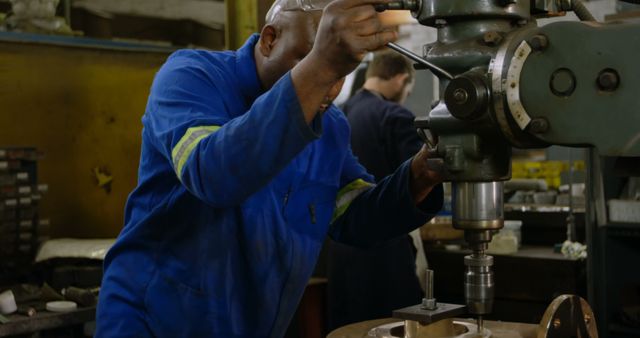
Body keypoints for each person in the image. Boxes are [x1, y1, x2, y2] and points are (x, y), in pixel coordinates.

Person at [95, 0, 443, 337]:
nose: (330, 88)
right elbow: (214, 173)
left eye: (340, 72)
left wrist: (418, 177)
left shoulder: (330, 127)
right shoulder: (192, 77)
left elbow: (353, 214)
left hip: (251, 324)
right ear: (269, 39)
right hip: (154, 322)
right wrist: (321, 65)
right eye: (311, 57)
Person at [327, 51, 429, 330]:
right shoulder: (395, 115)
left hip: (339, 250)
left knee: (348, 330)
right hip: (385, 254)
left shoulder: (336, 114)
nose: (406, 94)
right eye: (408, 88)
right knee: (391, 328)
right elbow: (419, 181)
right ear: (400, 79)